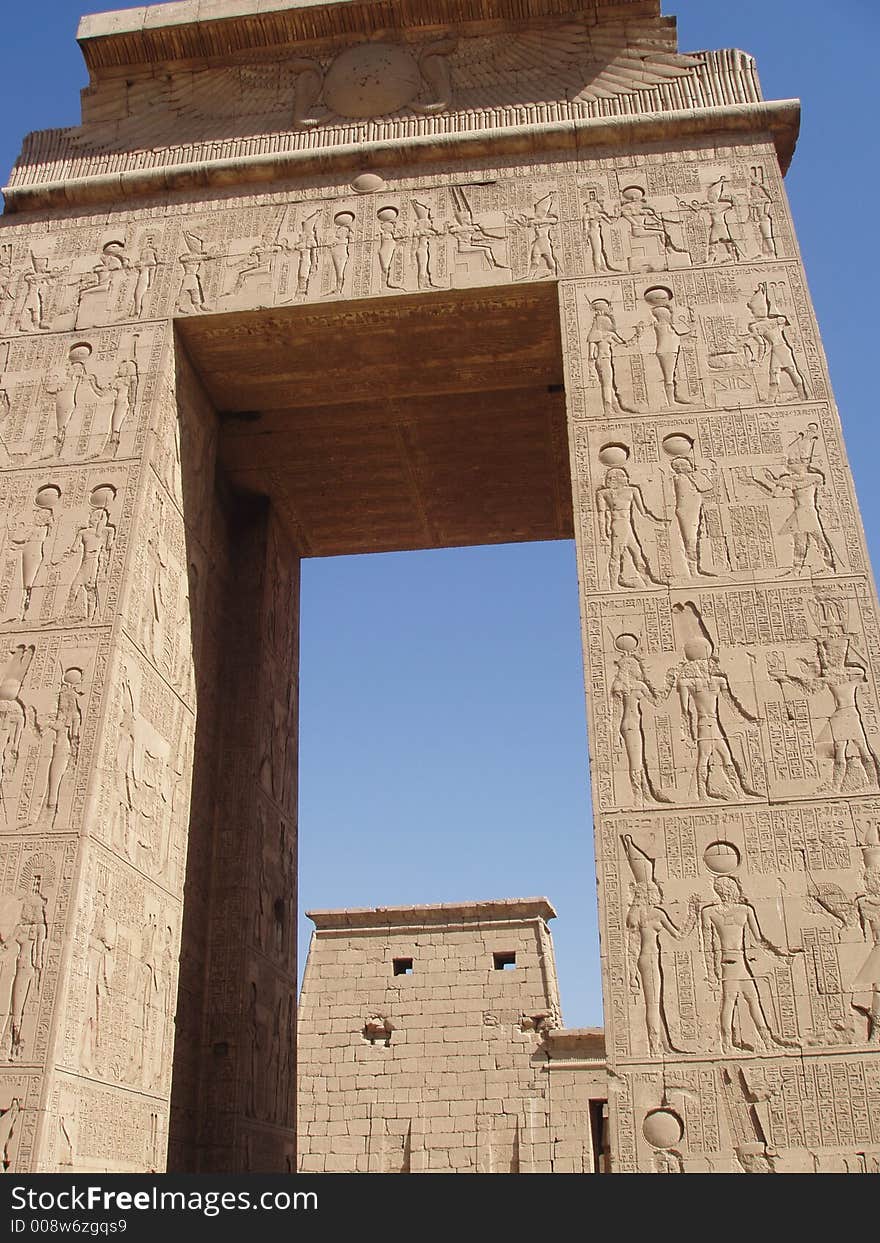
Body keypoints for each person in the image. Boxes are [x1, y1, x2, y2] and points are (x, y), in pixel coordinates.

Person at [701, 875, 799, 1053]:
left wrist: (779, 957)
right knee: (734, 1001)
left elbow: (757, 940)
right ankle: (727, 1044)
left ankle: (765, 1041)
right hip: (731, 962)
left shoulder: (723, 911)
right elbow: (708, 944)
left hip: (734, 962)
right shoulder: (733, 911)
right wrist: (710, 972)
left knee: (747, 999)